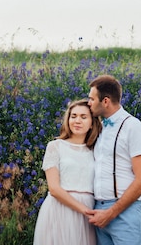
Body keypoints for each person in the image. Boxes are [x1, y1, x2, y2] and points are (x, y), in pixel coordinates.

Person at [86, 75, 141, 245]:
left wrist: (111, 212)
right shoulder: (99, 128)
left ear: (105, 101)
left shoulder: (133, 127)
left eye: (92, 99)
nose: (88, 103)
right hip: (98, 212)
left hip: (124, 213)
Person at [33, 98, 103, 245]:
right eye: (73, 116)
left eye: (84, 117)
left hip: (88, 213)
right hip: (59, 209)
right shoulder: (55, 146)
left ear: (92, 123)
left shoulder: (97, 150)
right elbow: (54, 189)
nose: (77, 120)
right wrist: (84, 210)